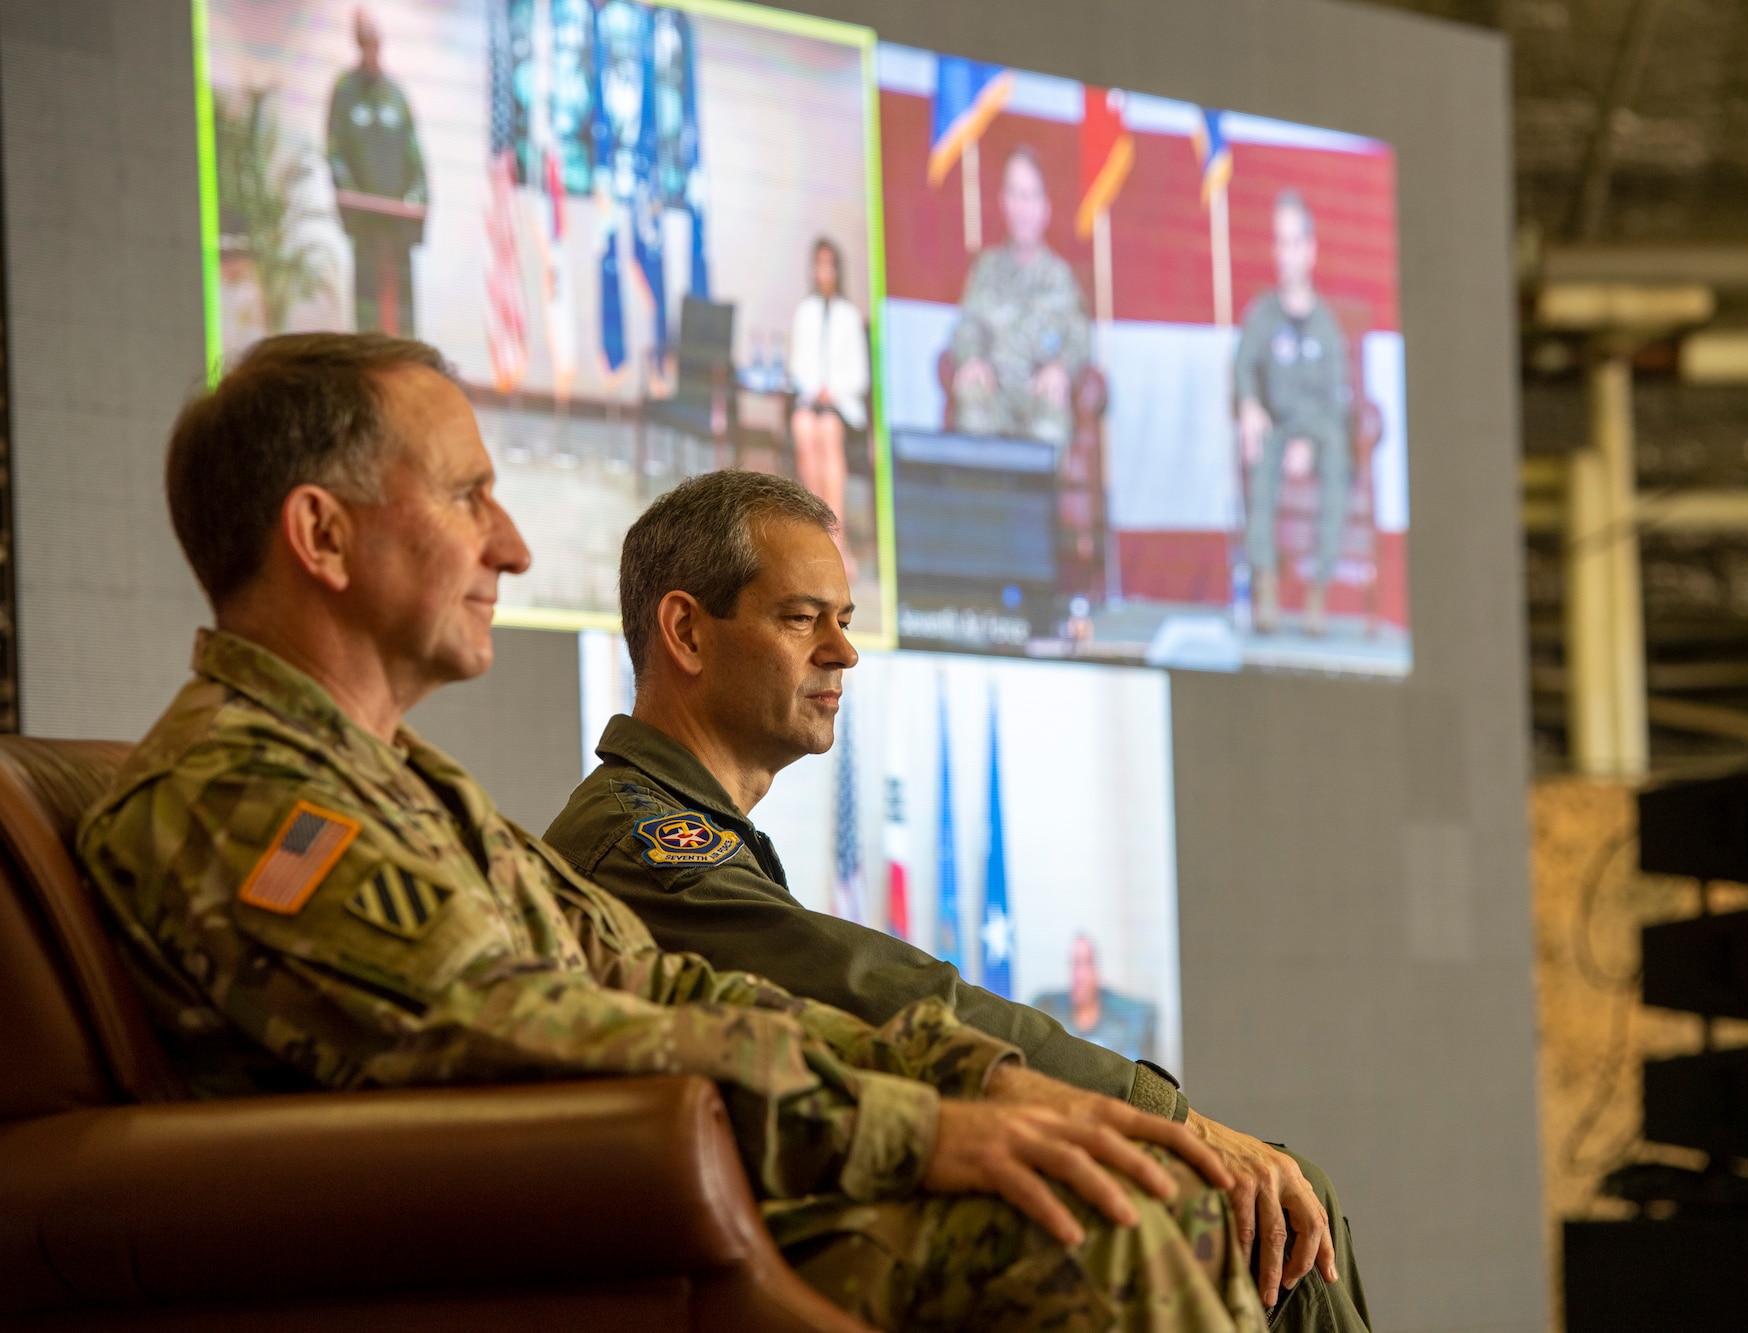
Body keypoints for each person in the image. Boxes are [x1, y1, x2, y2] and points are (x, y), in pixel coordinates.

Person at [76, 333, 1266, 1332]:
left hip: (636, 1209)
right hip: (548, 1260)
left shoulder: (395, 783)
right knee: (1105, 1229)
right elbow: (520, 1043)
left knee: (1161, 1193)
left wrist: (976, 1077)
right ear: (322, 535)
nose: (514, 546)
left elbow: (653, 982)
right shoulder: (238, 799)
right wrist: (921, 1128)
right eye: (465, 496)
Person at [543, 470, 1373, 1332]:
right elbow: (877, 991)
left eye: (845, 620)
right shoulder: (639, 843)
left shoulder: (679, 826)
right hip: (747, 1256)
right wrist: (1163, 1118)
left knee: (1287, 1200)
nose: (843, 651)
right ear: (686, 630)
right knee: (1253, 1215)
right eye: (801, 618)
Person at [1234, 190, 1352, 637]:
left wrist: (1309, 441)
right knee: (1261, 444)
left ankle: (1318, 589)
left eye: (1294, 242)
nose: (1286, 254)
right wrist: (1248, 405)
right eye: (1278, 243)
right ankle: (1265, 581)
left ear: (1310, 249)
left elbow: (1337, 398)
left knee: (1338, 455)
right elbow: (1243, 367)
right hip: (1277, 425)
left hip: (1318, 432)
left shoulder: (1326, 323)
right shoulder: (1262, 315)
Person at [948, 145, 1090, 451]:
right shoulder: (986, 269)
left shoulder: (1060, 277)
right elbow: (966, 327)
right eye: (1015, 193)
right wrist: (971, 358)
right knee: (972, 400)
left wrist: (1062, 368)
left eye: (1031, 195)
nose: (1023, 206)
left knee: (1051, 418)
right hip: (993, 392)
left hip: (1039, 395)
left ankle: (1040, 498)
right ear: (1003, 202)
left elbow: (1080, 338)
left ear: (1045, 206)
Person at [326, 9, 428, 336]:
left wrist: (417, 199)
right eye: (366, 41)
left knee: (403, 295)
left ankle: (410, 357)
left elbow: (415, 155)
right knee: (368, 291)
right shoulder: (345, 91)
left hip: (397, 219)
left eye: (376, 41)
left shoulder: (396, 94)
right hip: (366, 220)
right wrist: (352, 198)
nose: (372, 48)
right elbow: (334, 152)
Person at [788, 237, 870, 575]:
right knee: (803, 427)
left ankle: (836, 538)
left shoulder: (849, 315)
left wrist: (832, 392)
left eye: (829, 264)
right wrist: (814, 390)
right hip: (811, 399)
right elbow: (795, 365)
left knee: (828, 430)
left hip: (841, 405)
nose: (824, 271)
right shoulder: (804, 312)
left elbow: (860, 375)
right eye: (818, 264)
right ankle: (814, 532)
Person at [1033, 933, 1158, 1063]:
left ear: (1096, 969)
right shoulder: (1049, 1013)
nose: (1078, 976)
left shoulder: (1126, 1023)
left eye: (1085, 963)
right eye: (1074, 963)